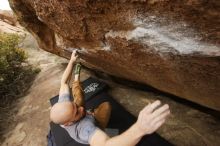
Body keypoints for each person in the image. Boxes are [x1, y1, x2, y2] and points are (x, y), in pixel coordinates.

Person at [50, 50, 170, 146]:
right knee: (106, 107)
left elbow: (64, 82)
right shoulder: (84, 128)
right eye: (76, 112)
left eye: (74, 106)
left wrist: (71, 61)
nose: (80, 109)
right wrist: (140, 129)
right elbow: (106, 144)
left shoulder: (64, 105)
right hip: (93, 125)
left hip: (81, 116)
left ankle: (77, 81)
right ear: (68, 123)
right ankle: (103, 127)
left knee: (78, 98)